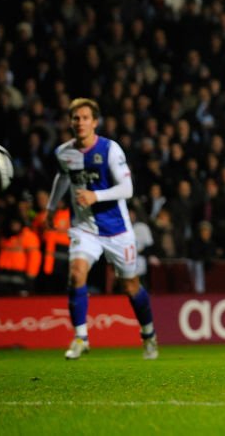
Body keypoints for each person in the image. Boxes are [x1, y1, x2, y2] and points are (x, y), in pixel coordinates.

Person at [48, 98, 158, 360]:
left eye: (85, 117)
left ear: (94, 122)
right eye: (76, 118)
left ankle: (149, 334)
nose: (80, 122)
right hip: (84, 229)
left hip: (117, 231)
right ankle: (81, 337)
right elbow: (63, 176)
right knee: (76, 274)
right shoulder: (64, 152)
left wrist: (96, 197)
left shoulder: (110, 150)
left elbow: (127, 189)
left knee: (130, 286)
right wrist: (51, 208)